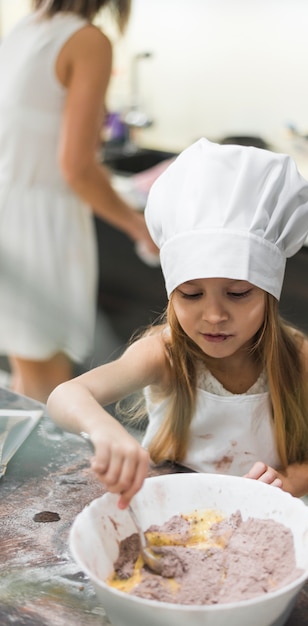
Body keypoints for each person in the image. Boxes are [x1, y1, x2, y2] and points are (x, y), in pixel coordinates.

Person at [47, 138, 308, 509]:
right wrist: (106, 431)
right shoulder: (163, 353)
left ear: (269, 293)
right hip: (165, 510)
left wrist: (283, 484)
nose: (214, 316)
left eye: (237, 294)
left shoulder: (298, 358)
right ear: (171, 294)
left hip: (252, 517)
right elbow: (65, 395)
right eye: (191, 294)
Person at [0, 0, 157, 403]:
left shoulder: (28, 28)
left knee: (28, 376)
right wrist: (138, 226)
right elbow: (77, 167)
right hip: (41, 227)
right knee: (47, 388)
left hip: (11, 214)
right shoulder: (87, 41)